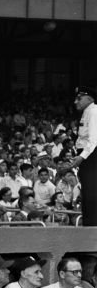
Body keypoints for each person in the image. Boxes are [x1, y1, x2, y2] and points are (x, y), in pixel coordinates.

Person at [63, 86, 97, 225]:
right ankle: (89, 224)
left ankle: (92, 226)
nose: (76, 101)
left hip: (91, 156)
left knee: (91, 194)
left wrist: (82, 157)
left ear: (90, 98)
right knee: (87, 192)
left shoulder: (94, 112)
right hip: (86, 156)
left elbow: (94, 139)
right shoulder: (86, 112)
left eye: (79, 98)